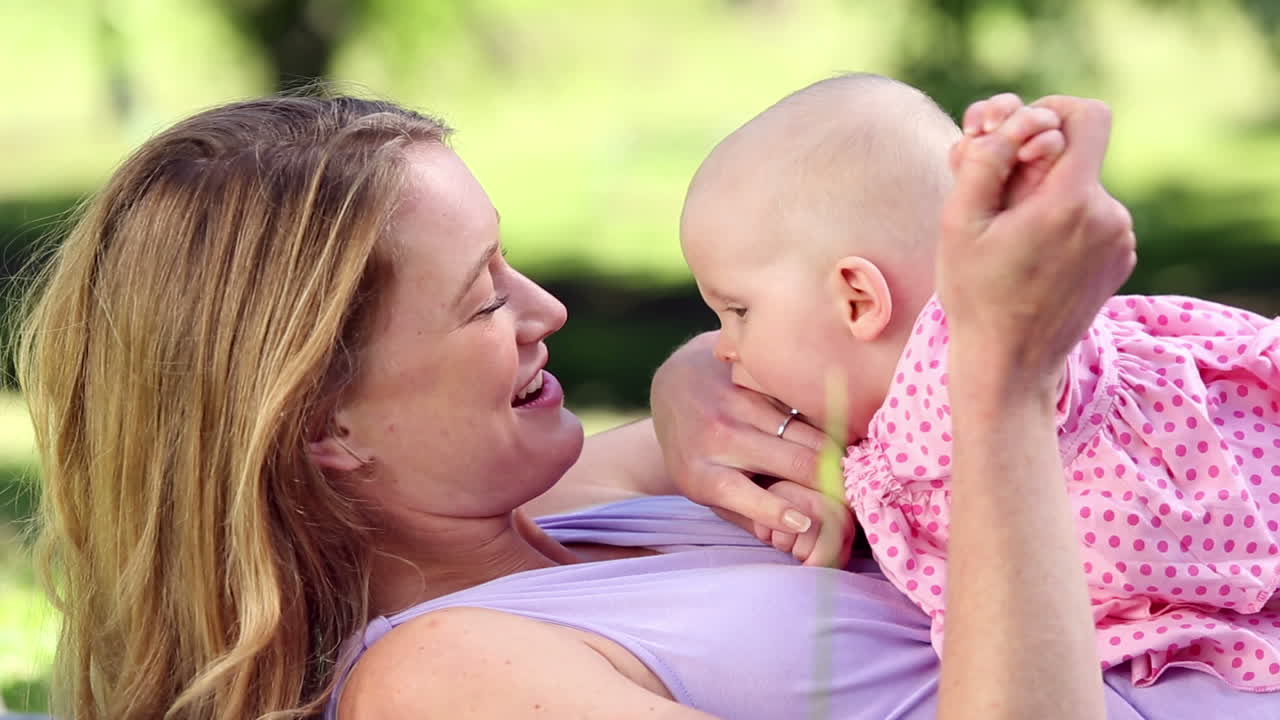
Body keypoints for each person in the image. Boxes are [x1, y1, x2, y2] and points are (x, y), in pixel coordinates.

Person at [17, 90, 1270, 720]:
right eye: (477, 300)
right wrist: (999, 376)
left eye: (510, 257)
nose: (548, 307)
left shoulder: (575, 505)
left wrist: (689, 389)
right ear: (321, 429)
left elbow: (739, 390)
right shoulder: (448, 680)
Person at [678, 72, 1280, 689]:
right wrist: (820, 497)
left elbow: (1055, 384)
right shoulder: (857, 400)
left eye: (738, 312)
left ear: (857, 299)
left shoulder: (980, 355)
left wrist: (1021, 213)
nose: (724, 349)